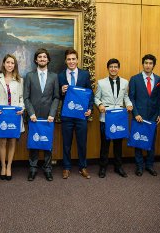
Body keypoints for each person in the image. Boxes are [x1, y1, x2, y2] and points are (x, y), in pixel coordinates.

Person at [24, 48, 59, 181]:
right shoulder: (29, 76)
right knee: (34, 142)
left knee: (47, 142)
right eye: (40, 57)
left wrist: (52, 113)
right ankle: (33, 168)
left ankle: (48, 168)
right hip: (34, 116)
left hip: (48, 116)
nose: (42, 59)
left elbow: (56, 97)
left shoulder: (54, 76)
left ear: (48, 60)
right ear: (36, 60)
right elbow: (26, 97)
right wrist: (31, 113)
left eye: (45, 57)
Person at [58, 49, 93, 179]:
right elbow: (56, 95)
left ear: (77, 60)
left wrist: (90, 108)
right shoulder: (60, 76)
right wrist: (61, 91)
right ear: (65, 61)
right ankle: (66, 167)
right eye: (69, 59)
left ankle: (82, 167)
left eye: (73, 59)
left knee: (82, 142)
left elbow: (90, 93)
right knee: (66, 143)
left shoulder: (84, 74)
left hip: (81, 116)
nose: (71, 61)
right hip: (67, 115)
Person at [94, 58, 133, 178]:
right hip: (106, 117)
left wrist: (129, 104)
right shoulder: (101, 83)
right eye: (111, 67)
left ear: (118, 68)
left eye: (115, 66)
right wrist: (99, 104)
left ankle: (118, 166)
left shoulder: (125, 82)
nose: (113, 69)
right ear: (108, 68)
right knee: (105, 144)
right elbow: (96, 97)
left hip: (119, 118)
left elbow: (125, 97)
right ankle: (103, 167)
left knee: (118, 144)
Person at [0, 54, 24, 181]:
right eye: (8, 62)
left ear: (15, 65)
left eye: (12, 63)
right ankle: (3, 166)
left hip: (14, 116)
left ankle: (9, 166)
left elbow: (21, 98)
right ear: (4, 64)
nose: (10, 65)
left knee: (13, 141)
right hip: (1, 116)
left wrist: (22, 108)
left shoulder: (20, 80)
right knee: (2, 141)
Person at [128, 54, 160, 177]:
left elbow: (159, 99)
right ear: (143, 64)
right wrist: (135, 113)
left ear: (153, 65)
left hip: (153, 116)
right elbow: (131, 98)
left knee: (151, 142)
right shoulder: (135, 79)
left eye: (150, 63)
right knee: (138, 141)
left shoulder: (159, 80)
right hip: (139, 116)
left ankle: (150, 165)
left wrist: (159, 114)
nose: (148, 65)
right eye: (146, 63)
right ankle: (139, 166)